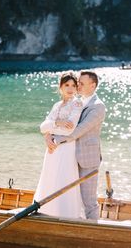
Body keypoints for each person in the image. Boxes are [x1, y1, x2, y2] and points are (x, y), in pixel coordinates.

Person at [45, 71, 106, 220]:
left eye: (81, 83)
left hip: (86, 158)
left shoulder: (98, 106)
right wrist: (48, 135)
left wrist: (56, 140)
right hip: (70, 155)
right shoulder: (77, 102)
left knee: (89, 200)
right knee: (71, 196)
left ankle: (92, 231)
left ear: (93, 85)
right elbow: (59, 123)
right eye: (78, 82)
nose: (78, 86)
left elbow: (79, 130)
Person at [34, 72, 84, 218]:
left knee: (64, 176)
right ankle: (47, 210)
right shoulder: (57, 105)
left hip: (66, 147)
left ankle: (65, 214)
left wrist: (50, 129)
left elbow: (70, 129)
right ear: (60, 87)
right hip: (52, 147)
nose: (70, 88)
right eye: (66, 85)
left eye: (73, 86)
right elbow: (42, 127)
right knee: (50, 175)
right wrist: (51, 131)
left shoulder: (77, 103)